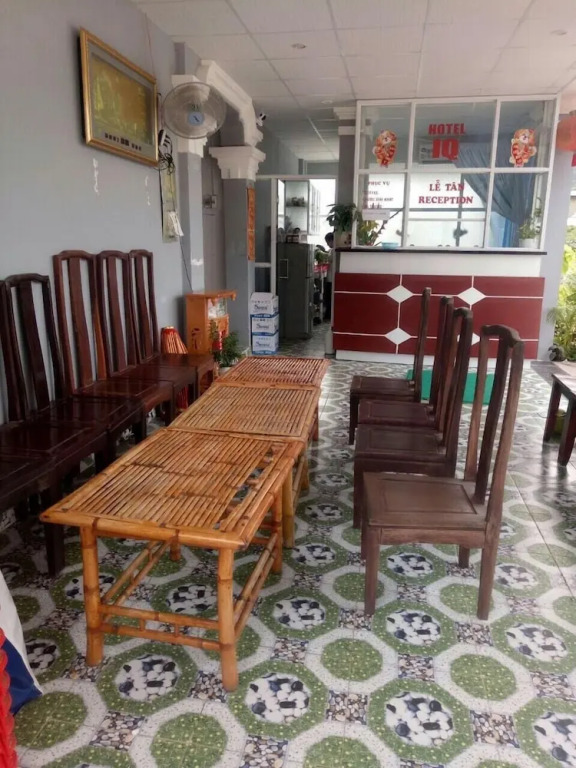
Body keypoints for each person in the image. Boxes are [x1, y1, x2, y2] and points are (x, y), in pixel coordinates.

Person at [324, 232, 334, 322]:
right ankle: (327, 315)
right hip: (329, 277)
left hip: (331, 279)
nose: (327, 244)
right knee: (328, 297)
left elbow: (328, 260)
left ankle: (328, 316)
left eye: (328, 242)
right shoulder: (331, 250)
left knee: (329, 298)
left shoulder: (334, 250)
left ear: (332, 240)